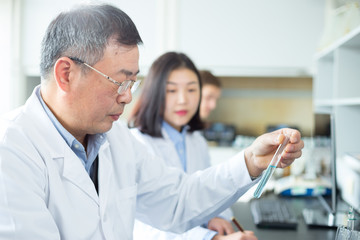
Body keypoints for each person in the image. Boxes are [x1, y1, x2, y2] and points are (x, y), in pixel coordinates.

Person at [0, 3, 304, 240]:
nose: (127, 97)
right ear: (66, 74)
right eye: (119, 82)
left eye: (133, 82)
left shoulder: (116, 140)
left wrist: (250, 160)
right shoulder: (11, 151)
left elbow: (178, 201)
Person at [129, 52, 257, 240]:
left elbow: (209, 189)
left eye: (191, 90)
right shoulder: (137, 143)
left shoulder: (195, 139)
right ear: (155, 93)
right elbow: (146, 224)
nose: (183, 100)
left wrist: (216, 215)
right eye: (171, 91)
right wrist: (211, 238)